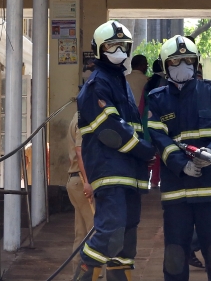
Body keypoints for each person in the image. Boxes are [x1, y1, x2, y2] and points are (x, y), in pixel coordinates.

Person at [145, 36, 211, 281]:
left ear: (196, 62)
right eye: (176, 61)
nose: (182, 65)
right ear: (166, 66)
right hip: (177, 193)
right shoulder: (157, 99)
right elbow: (158, 137)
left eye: (188, 60)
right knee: (175, 258)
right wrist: (181, 164)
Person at [74, 21, 157, 281]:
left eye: (123, 45)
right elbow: (111, 130)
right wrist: (144, 150)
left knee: (126, 238)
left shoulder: (118, 80)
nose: (118, 50)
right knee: (111, 230)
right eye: (112, 45)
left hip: (129, 171)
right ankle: (85, 273)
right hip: (110, 169)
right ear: (98, 49)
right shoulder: (97, 85)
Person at [66, 111, 94, 272]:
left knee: (82, 233)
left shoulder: (76, 116)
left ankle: (78, 275)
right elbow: (80, 150)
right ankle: (91, 275)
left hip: (75, 179)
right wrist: (88, 181)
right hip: (82, 180)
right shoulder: (84, 118)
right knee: (95, 232)